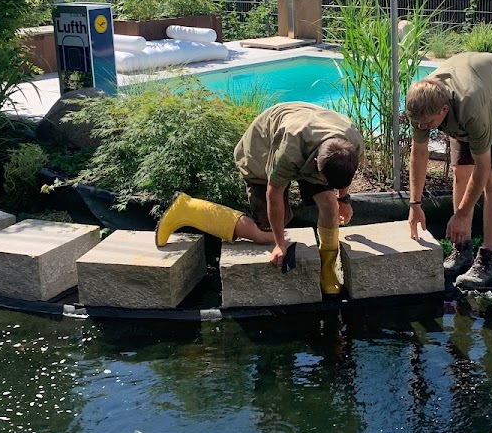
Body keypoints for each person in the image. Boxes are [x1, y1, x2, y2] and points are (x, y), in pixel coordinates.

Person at [156, 102, 363, 297]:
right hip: (262, 148)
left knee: (329, 204)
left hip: (311, 140)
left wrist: (343, 200)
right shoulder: (289, 149)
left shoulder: (351, 144)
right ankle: (190, 208)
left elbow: (343, 177)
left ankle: (327, 268)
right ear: (316, 163)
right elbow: (274, 193)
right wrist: (280, 244)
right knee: (266, 234)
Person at [405, 52, 492, 288]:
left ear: (444, 109)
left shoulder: (470, 107)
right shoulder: (421, 107)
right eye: (419, 123)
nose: (422, 127)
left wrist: (462, 215)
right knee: (461, 172)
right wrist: (415, 204)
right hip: (477, 91)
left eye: (428, 123)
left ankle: (487, 259)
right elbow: (419, 152)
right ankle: (462, 250)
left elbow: (483, 166)